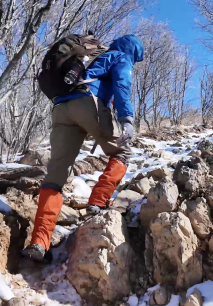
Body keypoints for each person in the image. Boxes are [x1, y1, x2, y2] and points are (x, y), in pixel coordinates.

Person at [23, 35, 144, 262]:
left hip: (61, 108)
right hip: (87, 103)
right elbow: (121, 84)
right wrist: (126, 118)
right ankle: (98, 202)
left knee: (56, 175)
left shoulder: (89, 57)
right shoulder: (120, 56)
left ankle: (39, 242)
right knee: (122, 152)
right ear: (134, 51)